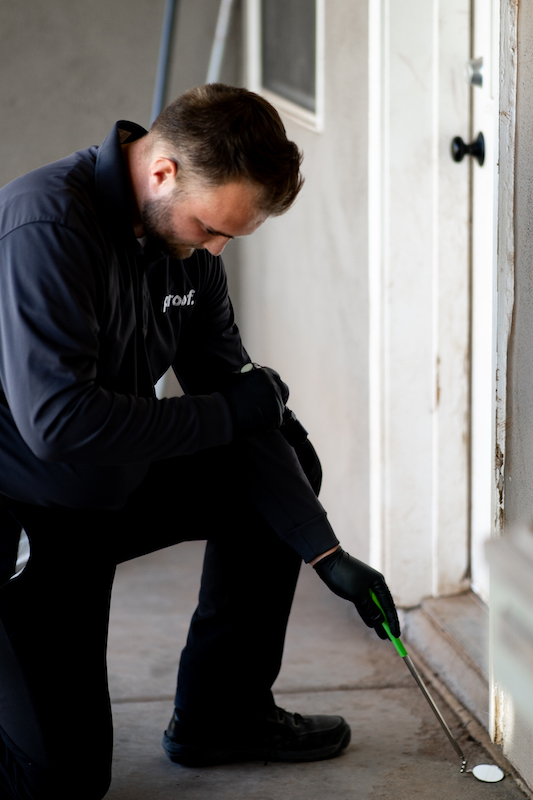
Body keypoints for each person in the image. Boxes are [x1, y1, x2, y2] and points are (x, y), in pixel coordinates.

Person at [0, 83, 400, 800]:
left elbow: (243, 408)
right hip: (27, 513)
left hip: (109, 490)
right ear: (162, 173)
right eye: (209, 227)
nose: (213, 250)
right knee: (57, 781)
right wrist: (228, 411)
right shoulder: (46, 225)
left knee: (281, 463)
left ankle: (223, 716)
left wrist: (325, 551)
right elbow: (58, 424)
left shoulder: (184, 252)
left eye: (228, 237)